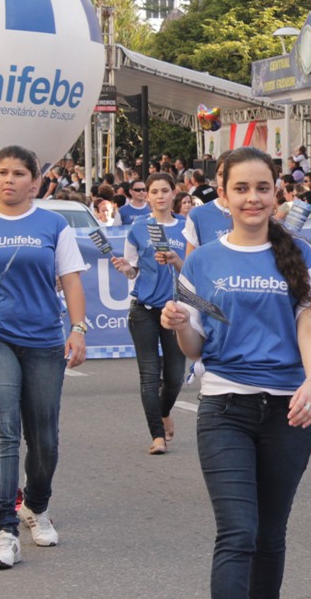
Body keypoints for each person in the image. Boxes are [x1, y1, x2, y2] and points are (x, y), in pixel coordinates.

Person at [160, 147, 311, 598]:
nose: (252, 198)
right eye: (241, 189)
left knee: (270, 537)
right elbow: (195, 346)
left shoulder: (302, 255)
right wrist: (180, 327)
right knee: (237, 533)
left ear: (277, 192)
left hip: (288, 413)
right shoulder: (201, 262)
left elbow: (309, 329)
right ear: (223, 194)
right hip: (224, 409)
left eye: (262, 188)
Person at [0, 145, 88, 570]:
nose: (8, 180)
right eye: (2, 172)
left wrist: (77, 330)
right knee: (3, 433)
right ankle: (5, 530)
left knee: (44, 438)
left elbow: (73, 282)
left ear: (35, 180)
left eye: (18, 173)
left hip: (44, 340)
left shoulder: (54, 224)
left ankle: (36, 507)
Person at [111, 173, 187, 455]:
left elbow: (194, 271)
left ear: (174, 193)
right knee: (148, 374)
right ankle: (157, 436)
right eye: (153, 191)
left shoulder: (186, 228)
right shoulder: (139, 228)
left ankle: (164, 411)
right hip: (143, 310)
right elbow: (133, 269)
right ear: (147, 196)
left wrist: (175, 259)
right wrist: (126, 269)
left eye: (164, 190)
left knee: (175, 376)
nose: (159, 196)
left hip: (176, 311)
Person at [184, 151, 234, 257]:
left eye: (229, 173)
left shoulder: (253, 212)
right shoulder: (198, 215)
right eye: (220, 174)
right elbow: (190, 265)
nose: (224, 178)